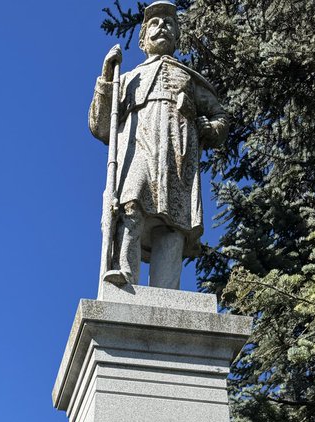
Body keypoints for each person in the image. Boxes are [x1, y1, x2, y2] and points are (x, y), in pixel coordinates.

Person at [89, 1, 228, 289]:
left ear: (177, 36)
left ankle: (167, 289)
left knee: (175, 221)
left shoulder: (189, 78)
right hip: (138, 148)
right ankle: (124, 274)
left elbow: (219, 117)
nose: (162, 25)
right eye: (154, 23)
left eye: (168, 22)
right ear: (142, 40)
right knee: (130, 203)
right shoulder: (126, 79)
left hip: (177, 153)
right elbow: (101, 126)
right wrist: (106, 79)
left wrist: (209, 127)